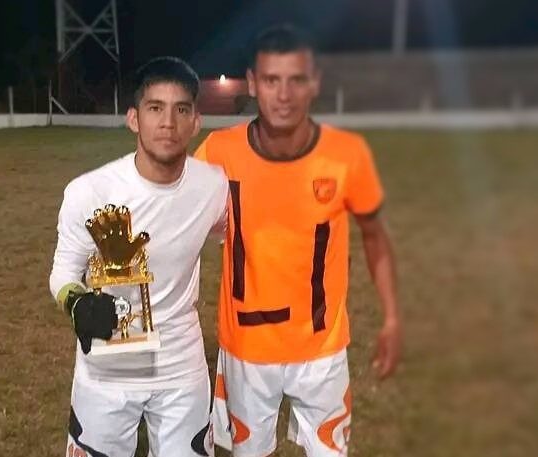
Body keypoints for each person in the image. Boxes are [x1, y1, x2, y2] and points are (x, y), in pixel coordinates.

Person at [195, 25, 402, 457]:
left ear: (314, 83)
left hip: (321, 349)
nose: (284, 94)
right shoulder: (218, 151)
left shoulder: (346, 155)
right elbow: (178, 218)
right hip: (247, 349)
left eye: (296, 80)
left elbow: (375, 237)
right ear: (253, 82)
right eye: (272, 80)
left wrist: (391, 317)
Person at [49, 56, 227, 457]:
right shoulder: (88, 192)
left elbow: (238, 232)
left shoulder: (214, 186)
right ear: (134, 119)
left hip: (181, 365)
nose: (168, 123)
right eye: (155, 108)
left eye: (181, 110)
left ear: (196, 122)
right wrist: (77, 303)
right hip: (106, 366)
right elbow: (62, 272)